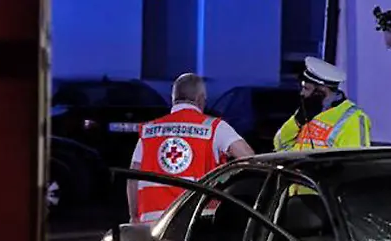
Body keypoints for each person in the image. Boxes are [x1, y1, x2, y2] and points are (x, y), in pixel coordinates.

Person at [127, 72, 254, 224]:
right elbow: (249, 159)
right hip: (195, 224)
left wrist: (134, 216)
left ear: (173, 99)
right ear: (200, 99)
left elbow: (133, 177)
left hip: (152, 222)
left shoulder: (150, 131)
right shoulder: (214, 127)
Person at [274, 56, 371, 152]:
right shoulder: (307, 109)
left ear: (321, 91)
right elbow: (279, 144)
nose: (302, 93)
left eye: (306, 88)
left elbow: (353, 161)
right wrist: (296, 122)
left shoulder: (353, 118)